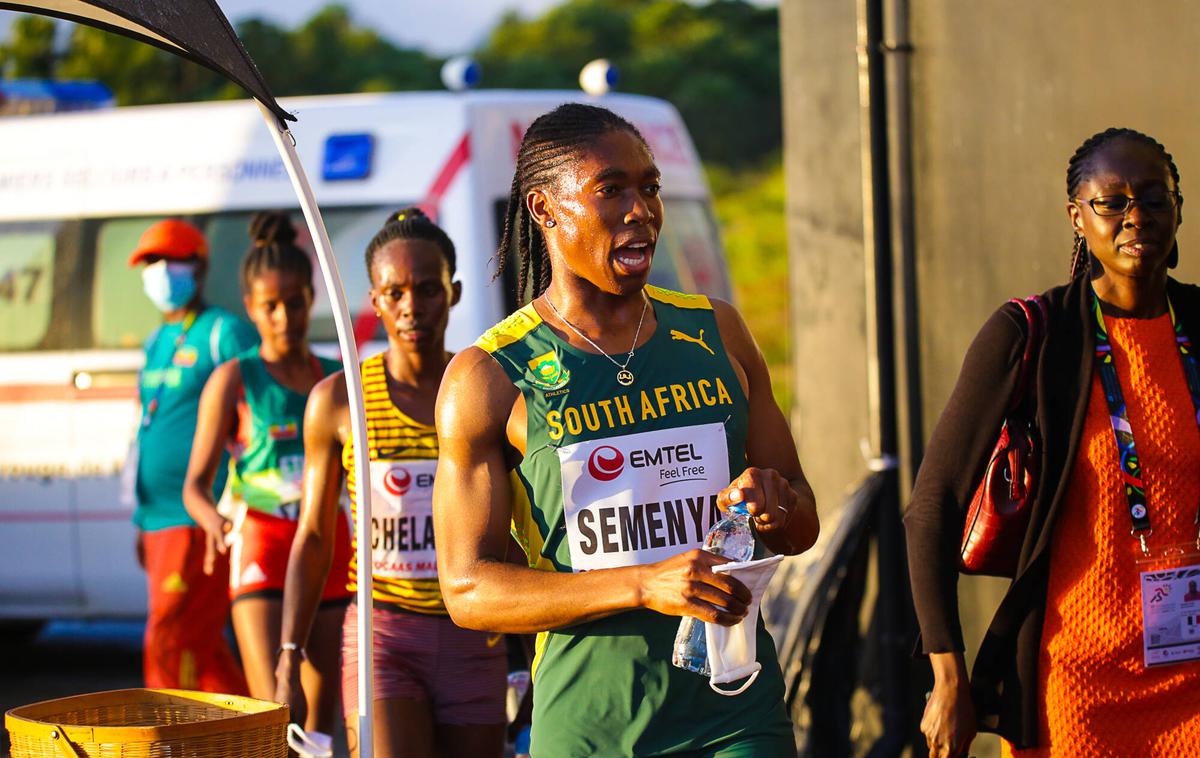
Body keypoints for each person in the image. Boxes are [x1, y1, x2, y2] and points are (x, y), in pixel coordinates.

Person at [433, 103, 820, 756]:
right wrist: (645, 583)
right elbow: (469, 589)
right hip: (592, 725)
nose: (640, 210)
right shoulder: (490, 376)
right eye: (611, 190)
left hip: (735, 708)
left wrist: (774, 504)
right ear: (544, 209)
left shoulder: (717, 331)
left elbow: (803, 522)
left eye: (649, 188)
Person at [906, 128, 1200, 757]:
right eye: (1112, 203)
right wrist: (947, 676)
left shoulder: (1197, 327)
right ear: (1077, 216)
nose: (1136, 217)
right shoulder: (1032, 334)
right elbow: (932, 505)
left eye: (1154, 199)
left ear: (1179, 208)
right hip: (1075, 688)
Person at [274, 208, 508, 758]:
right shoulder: (340, 400)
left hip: (474, 630)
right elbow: (312, 534)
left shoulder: (486, 390)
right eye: (394, 292)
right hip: (384, 636)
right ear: (374, 300)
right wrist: (290, 651)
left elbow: (522, 523)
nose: (411, 307)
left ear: (452, 293)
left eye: (427, 289)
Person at [182, 212, 349, 732]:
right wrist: (212, 520)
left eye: (294, 303)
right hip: (262, 544)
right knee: (278, 713)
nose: (284, 317)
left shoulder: (337, 377)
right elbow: (194, 485)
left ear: (311, 298)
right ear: (251, 308)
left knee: (321, 723)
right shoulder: (235, 377)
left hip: (327, 540)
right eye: (270, 307)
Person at [128, 218, 257, 692]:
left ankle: (166, 739)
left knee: (171, 640)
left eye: (170, 260)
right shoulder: (156, 341)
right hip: (157, 519)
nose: (160, 271)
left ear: (198, 268)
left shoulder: (223, 332)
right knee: (200, 649)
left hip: (198, 516)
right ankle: (259, 739)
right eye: (150, 263)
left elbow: (255, 417)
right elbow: (147, 427)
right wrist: (139, 519)